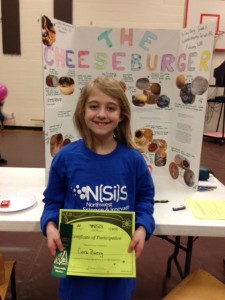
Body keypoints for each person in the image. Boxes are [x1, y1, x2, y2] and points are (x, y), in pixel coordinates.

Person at [40, 76, 155, 300]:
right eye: (94, 106)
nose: (102, 114)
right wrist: (51, 226)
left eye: (110, 108)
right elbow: (53, 201)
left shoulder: (133, 160)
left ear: (121, 115)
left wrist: (142, 228)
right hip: (75, 264)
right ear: (83, 111)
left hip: (117, 264)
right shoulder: (65, 157)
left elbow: (144, 199)